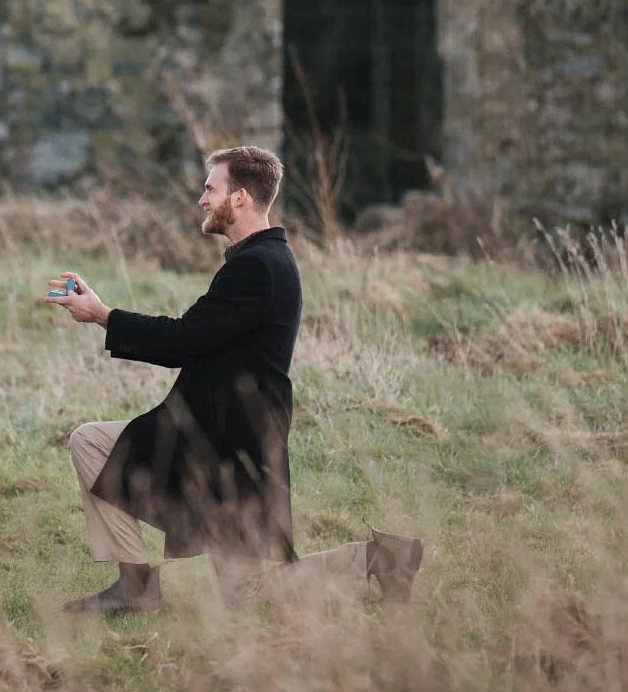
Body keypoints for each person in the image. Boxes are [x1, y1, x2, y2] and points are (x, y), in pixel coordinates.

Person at [46, 145, 423, 613]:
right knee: (91, 442)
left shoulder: (258, 267)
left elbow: (183, 340)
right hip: (208, 437)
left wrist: (103, 315)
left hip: (231, 451)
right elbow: (197, 341)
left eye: (211, 188)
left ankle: (380, 558)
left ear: (240, 197)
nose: (202, 199)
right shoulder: (260, 260)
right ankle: (135, 585)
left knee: (243, 594)